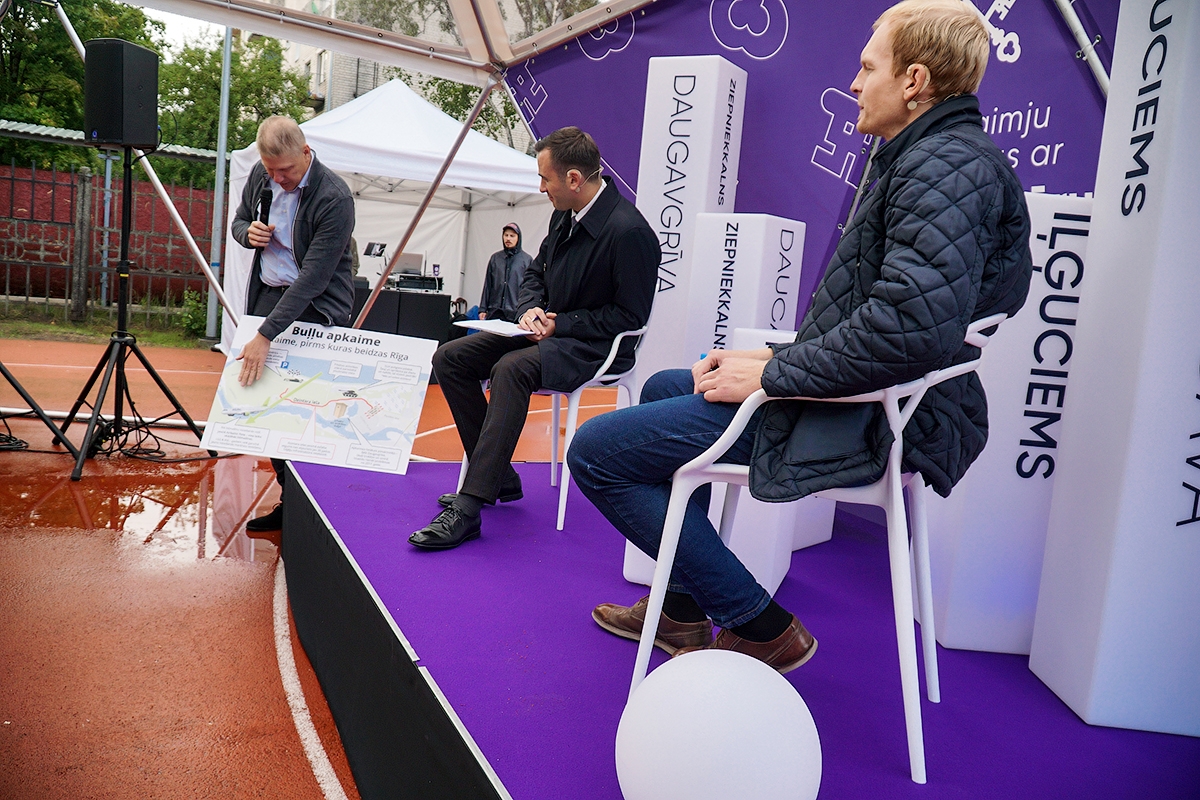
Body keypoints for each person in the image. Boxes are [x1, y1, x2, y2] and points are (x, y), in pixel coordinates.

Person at [569, 0, 1032, 672]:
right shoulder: (934, 157)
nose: (853, 82)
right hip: (879, 400)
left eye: (868, 67)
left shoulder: (942, 167)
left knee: (595, 453)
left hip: (881, 419)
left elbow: (908, 329)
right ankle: (681, 611)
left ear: (914, 81)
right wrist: (773, 356)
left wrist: (771, 374)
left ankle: (761, 626)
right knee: (671, 384)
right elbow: (892, 318)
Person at [409, 127, 659, 550]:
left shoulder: (629, 232)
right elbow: (534, 274)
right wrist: (530, 310)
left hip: (595, 347)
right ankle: (500, 476)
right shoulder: (564, 213)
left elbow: (630, 317)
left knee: (511, 368)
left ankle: (470, 505)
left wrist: (563, 324)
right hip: (548, 334)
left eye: (545, 179)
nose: (541, 187)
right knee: (450, 359)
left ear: (574, 179)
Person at [230, 115, 356, 533]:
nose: (278, 179)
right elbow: (238, 221)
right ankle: (291, 501)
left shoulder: (335, 197)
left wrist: (266, 333)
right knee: (269, 409)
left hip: (316, 305)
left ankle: (315, 507)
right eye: (271, 171)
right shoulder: (261, 174)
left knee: (307, 411)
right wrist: (247, 232)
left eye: (285, 170)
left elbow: (314, 278)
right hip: (269, 295)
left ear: (306, 152)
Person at [478, 223, 532, 322]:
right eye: (506, 235)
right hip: (494, 310)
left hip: (514, 311)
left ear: (518, 238)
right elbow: (488, 285)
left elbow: (529, 288)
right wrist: (482, 309)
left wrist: (525, 310)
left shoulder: (526, 260)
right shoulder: (495, 258)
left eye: (512, 236)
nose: (508, 239)